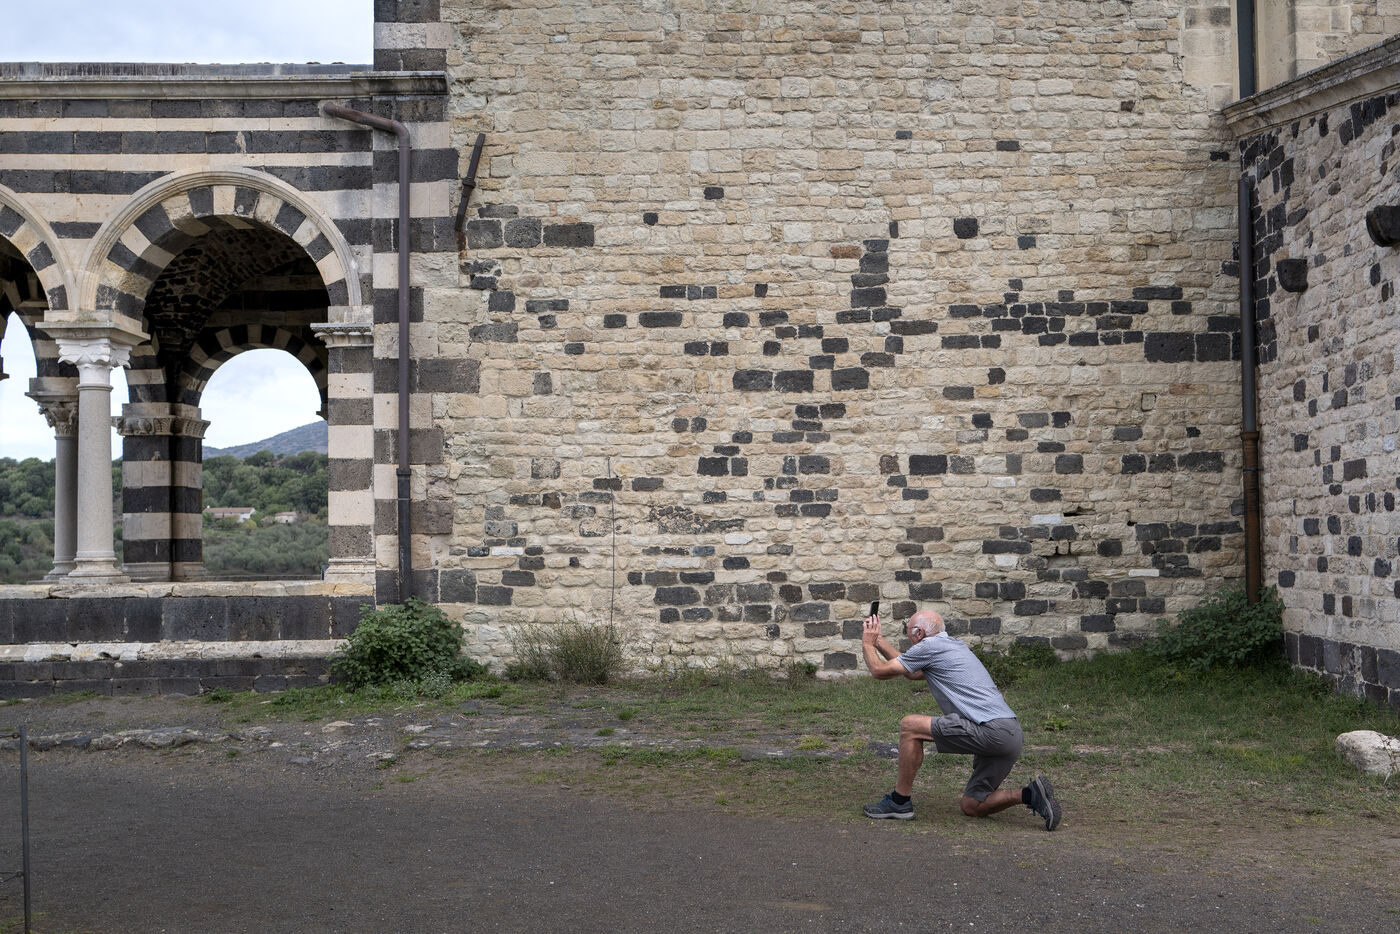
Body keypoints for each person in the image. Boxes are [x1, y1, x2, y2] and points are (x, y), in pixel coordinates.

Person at [859, 608, 1062, 830]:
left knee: (910, 726)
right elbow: (911, 672)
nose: (907, 635)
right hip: (1011, 734)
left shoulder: (929, 646)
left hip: (991, 730)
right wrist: (878, 641)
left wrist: (867, 642)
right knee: (973, 805)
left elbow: (878, 671)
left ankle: (899, 803)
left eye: (906, 630)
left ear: (918, 633)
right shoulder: (952, 645)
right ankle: (1031, 794)